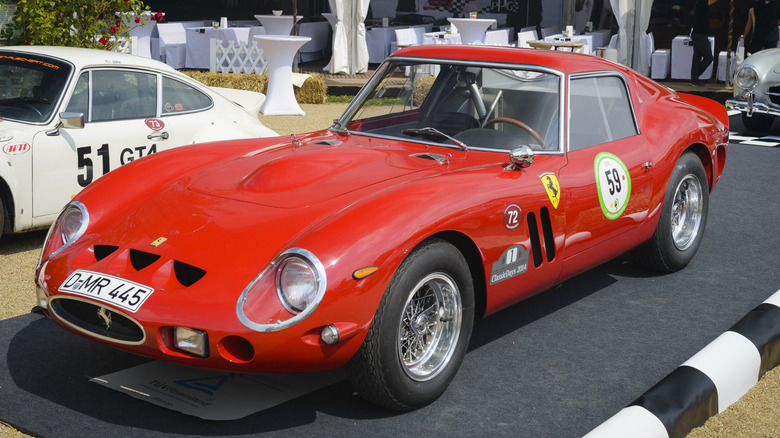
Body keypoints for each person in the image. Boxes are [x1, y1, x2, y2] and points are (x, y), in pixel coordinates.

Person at [690, 0, 719, 86]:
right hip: (700, 35)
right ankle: (695, 76)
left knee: (697, 57)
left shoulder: (699, 3)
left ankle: (694, 79)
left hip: (698, 34)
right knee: (708, 58)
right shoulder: (702, 2)